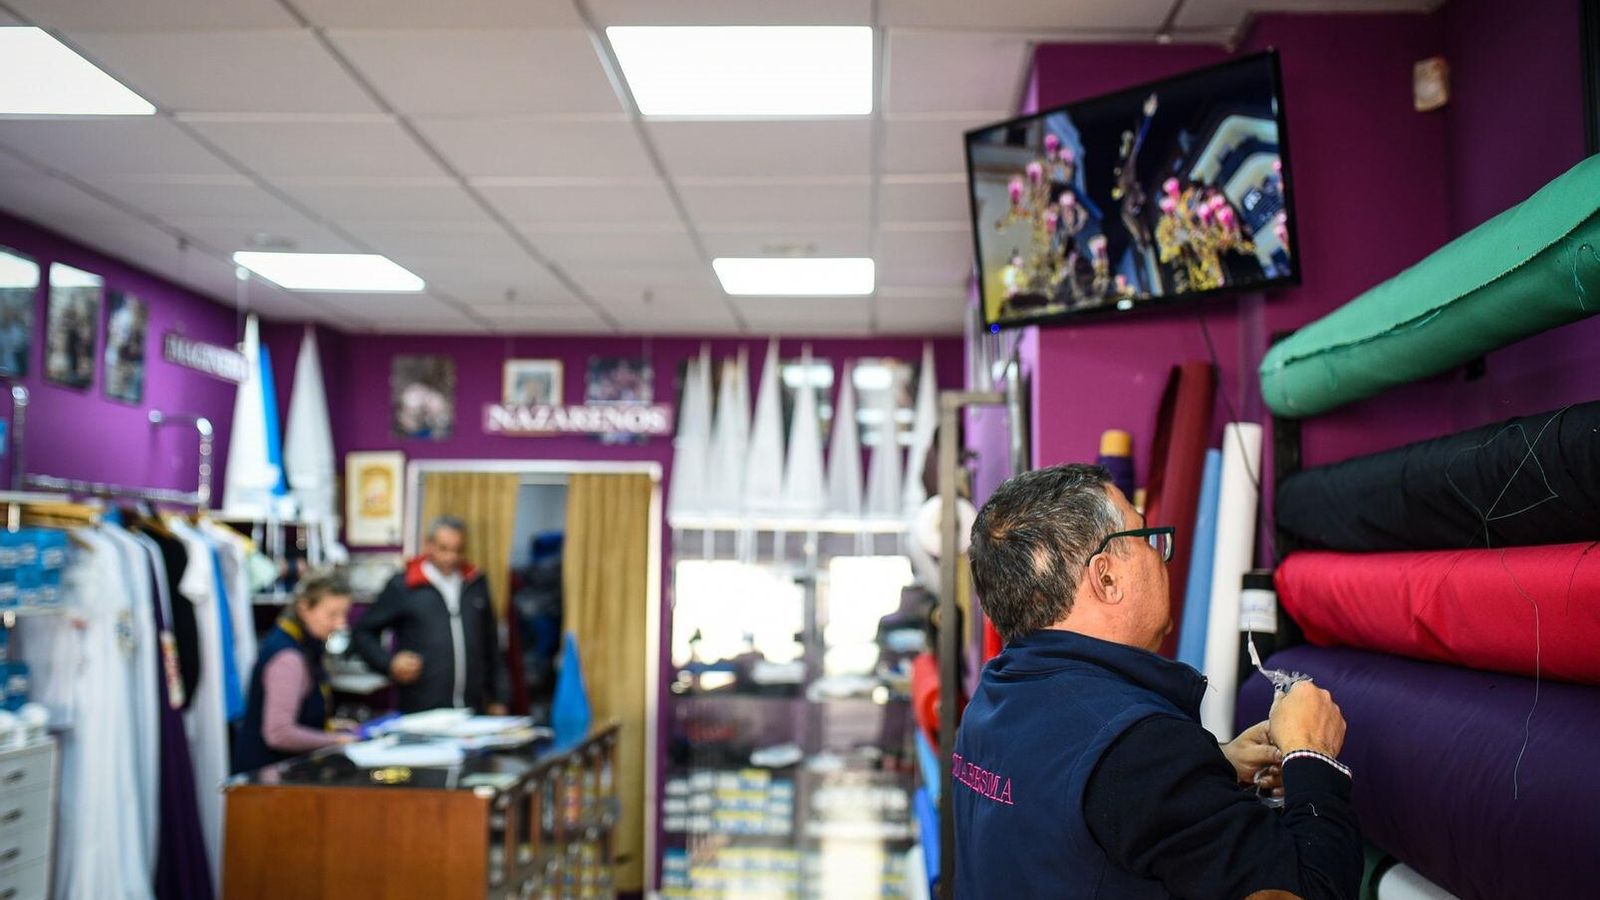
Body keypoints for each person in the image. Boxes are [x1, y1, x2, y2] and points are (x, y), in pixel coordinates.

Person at [954, 463, 1360, 899]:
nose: (1160, 554)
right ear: (1106, 577)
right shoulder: (1142, 751)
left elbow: (1064, 805)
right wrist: (1312, 756)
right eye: (1145, 537)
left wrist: (1210, 767)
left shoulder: (993, 699)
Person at [352, 516, 509, 714]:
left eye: (458, 550)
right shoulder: (405, 585)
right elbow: (362, 632)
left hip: (472, 709)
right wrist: (389, 663)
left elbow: (491, 644)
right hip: (422, 709)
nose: (451, 557)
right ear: (429, 545)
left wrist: (499, 697)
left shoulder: (475, 583)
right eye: (444, 548)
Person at [234, 574, 357, 773]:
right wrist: (336, 740)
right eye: (332, 615)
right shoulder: (288, 658)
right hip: (267, 781)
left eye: (344, 614)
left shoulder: (299, 643)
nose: (341, 623)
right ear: (305, 608)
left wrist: (328, 726)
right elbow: (278, 733)